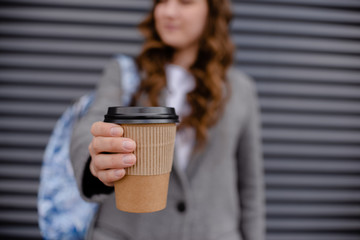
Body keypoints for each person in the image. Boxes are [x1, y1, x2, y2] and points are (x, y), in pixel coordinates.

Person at [70, 0, 265, 239]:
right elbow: (88, 128)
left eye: (185, 2)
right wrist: (96, 163)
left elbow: (250, 188)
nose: (169, 12)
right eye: (162, 1)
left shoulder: (240, 89)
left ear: (212, 10)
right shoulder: (126, 74)